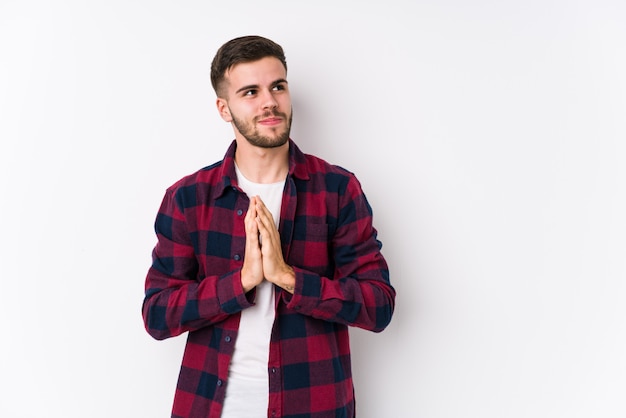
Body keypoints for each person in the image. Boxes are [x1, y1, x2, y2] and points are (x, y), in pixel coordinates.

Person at [142, 35, 396, 418]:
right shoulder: (189, 199)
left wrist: (288, 277)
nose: (269, 102)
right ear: (224, 109)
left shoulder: (337, 190)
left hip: (313, 405)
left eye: (278, 86)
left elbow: (378, 306)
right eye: (250, 92)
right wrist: (240, 282)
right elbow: (158, 315)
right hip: (211, 407)